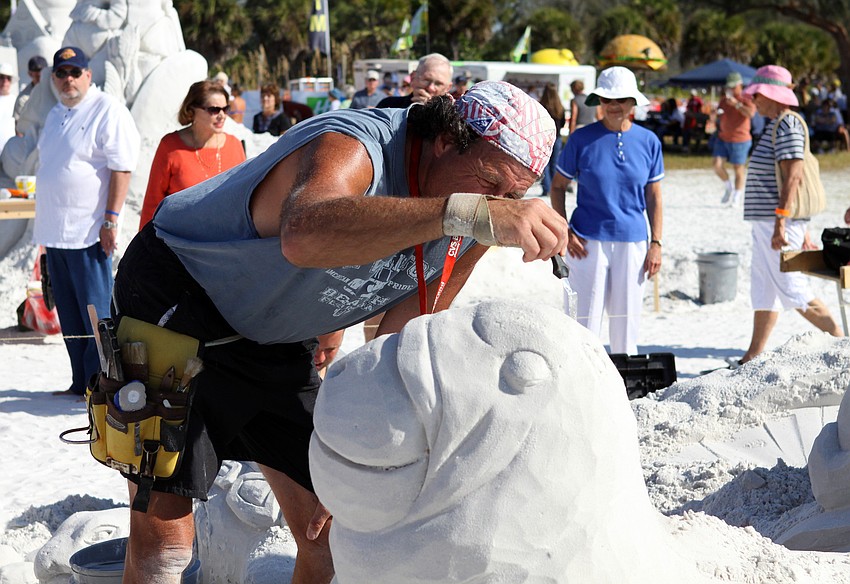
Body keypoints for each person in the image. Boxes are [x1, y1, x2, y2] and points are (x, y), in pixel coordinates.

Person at [112, 80, 564, 584]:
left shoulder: (475, 215)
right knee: (165, 546)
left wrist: (372, 448)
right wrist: (467, 212)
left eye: (512, 196)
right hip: (178, 297)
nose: (497, 204)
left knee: (332, 540)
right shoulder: (357, 144)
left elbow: (401, 339)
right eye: (489, 182)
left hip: (275, 336)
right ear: (445, 140)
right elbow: (302, 234)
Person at [33, 46, 140, 396]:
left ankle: (103, 383)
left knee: (97, 314)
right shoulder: (54, 114)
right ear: (53, 78)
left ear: (88, 75)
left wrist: (111, 220)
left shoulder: (106, 109)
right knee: (69, 314)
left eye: (75, 72)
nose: (68, 80)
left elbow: (121, 167)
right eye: (61, 73)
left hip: (88, 231)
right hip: (56, 232)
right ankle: (80, 382)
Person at [548, 66, 664, 355]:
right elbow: (558, 186)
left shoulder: (650, 141)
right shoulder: (580, 139)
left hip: (634, 241)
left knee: (627, 322)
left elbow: (654, 196)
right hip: (586, 241)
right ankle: (581, 379)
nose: (614, 106)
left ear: (633, 102)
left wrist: (657, 243)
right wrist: (564, 229)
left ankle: (625, 384)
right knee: (583, 321)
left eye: (621, 99)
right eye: (608, 99)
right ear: (598, 101)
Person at [738, 64, 843, 365]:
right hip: (770, 221)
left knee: (794, 289)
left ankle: (841, 340)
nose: (753, 100)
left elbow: (794, 175)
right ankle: (753, 355)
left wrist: (783, 220)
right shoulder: (776, 123)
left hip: (777, 222)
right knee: (764, 288)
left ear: (773, 95)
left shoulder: (786, 124)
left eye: (757, 94)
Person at [139, 80, 246, 230]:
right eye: (214, 110)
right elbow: (153, 201)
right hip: (179, 244)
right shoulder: (170, 146)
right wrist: (145, 247)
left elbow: (244, 200)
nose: (222, 115)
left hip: (225, 243)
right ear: (192, 110)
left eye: (225, 109)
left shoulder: (234, 145)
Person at [714, 72, 756, 207]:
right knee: (717, 165)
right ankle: (728, 187)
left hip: (740, 139)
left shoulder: (747, 98)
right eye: (729, 87)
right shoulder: (724, 99)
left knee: (738, 169)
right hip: (723, 137)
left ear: (740, 85)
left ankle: (737, 196)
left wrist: (736, 104)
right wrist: (714, 115)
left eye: (733, 87)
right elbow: (719, 113)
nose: (731, 89)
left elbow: (750, 114)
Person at [376, 53, 453, 109]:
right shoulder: (388, 106)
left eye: (438, 84)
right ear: (413, 78)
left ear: (448, 88)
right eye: (426, 80)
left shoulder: (454, 116)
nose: (431, 88)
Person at [538, 82, 566, 195]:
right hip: (557, 137)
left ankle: (547, 189)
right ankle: (555, 188)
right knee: (554, 164)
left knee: (544, 164)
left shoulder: (541, 106)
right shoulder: (560, 107)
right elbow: (563, 123)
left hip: (545, 138)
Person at [13, 55, 47, 126]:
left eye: (43, 71)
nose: (41, 74)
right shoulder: (23, 99)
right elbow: (19, 126)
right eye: (37, 75)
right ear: (30, 74)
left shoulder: (59, 90)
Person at [0, 62, 16, 152]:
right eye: (1, 77)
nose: (5, 81)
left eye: (8, 78)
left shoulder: (16, 101)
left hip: (9, 154)